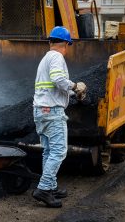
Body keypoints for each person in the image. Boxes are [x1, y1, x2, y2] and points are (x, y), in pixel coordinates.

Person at [31, 26, 86, 208]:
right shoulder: (57, 57)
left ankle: (51, 187)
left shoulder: (45, 58)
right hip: (52, 113)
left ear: (50, 41)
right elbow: (58, 79)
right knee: (59, 151)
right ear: (66, 44)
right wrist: (75, 86)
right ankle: (44, 189)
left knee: (48, 150)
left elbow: (52, 88)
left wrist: (70, 94)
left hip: (41, 110)